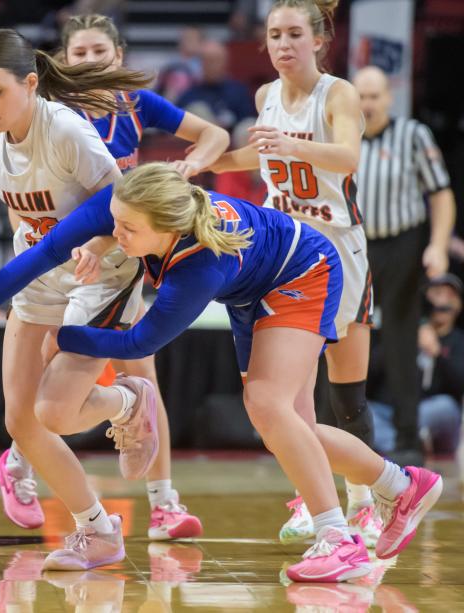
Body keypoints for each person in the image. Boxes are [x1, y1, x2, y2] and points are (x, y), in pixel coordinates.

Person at [0, 162, 443, 581]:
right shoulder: (131, 203)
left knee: (268, 407)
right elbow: (50, 249)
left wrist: (64, 337)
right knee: (288, 425)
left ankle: (341, 541)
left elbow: (143, 340)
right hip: (258, 281)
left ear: (166, 230)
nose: (112, 234)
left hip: (302, 271)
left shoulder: (200, 264)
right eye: (114, 221)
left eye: (127, 230)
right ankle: (402, 484)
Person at [0, 28, 220, 570]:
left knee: (53, 412)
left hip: (101, 270)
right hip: (39, 271)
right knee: (20, 422)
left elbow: (116, 214)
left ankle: (128, 401)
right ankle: (98, 531)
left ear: (30, 84)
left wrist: (95, 251)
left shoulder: (68, 133)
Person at [0, 13, 229, 541]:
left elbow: (214, 134)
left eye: (100, 52)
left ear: (118, 57)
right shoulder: (48, 114)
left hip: (115, 257)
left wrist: (189, 169)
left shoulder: (137, 106)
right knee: (49, 369)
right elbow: (18, 200)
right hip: (56, 258)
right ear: (64, 62)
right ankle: (19, 461)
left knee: (142, 369)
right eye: (80, 54)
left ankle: (163, 504)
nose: (91, 62)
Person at [208, 0, 381, 546]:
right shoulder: (265, 98)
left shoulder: (340, 94)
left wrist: (293, 146)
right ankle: (317, 500)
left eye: (293, 34)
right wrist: (202, 162)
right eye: (274, 34)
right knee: (292, 394)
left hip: (339, 249)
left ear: (318, 41)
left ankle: (365, 502)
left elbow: (349, 157)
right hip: (289, 256)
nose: (282, 44)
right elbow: (257, 161)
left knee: (345, 392)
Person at [352, 65, 457, 467]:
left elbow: (441, 194)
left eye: (374, 96)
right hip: (356, 245)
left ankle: (409, 440)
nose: (367, 103)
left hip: (403, 244)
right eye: (361, 95)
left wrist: (437, 246)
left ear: (389, 98)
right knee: (339, 338)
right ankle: (336, 436)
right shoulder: (343, 138)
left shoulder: (413, 135)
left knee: (399, 343)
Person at [370, 273, 464, 455]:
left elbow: (459, 387)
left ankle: (402, 449)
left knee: (444, 406)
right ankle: (403, 450)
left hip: (429, 410)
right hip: (388, 410)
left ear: (459, 304)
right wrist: (399, 341)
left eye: (450, 296)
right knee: (363, 411)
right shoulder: (401, 331)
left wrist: (437, 353)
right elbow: (369, 377)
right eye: (437, 293)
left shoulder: (459, 340)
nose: (443, 301)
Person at [177, 40, 257, 132]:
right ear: (201, 64)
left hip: (235, 142)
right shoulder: (189, 95)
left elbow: (247, 121)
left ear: (225, 62)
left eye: (216, 60)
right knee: (197, 110)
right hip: (202, 143)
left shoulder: (239, 92)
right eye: (207, 60)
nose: (211, 65)